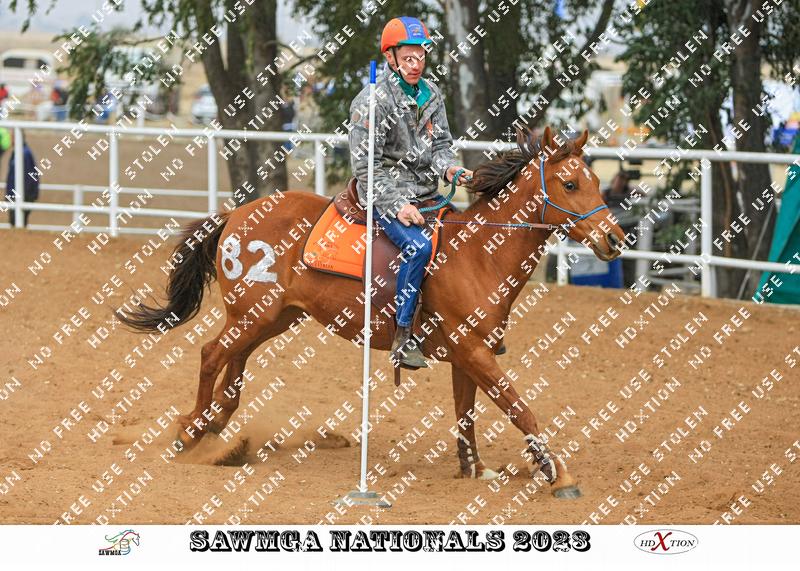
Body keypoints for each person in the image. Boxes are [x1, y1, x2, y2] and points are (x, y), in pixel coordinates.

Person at [349, 16, 472, 370]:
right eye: (408, 58)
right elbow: (365, 168)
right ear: (390, 57)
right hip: (384, 193)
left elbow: (442, 146)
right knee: (419, 247)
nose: (416, 64)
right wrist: (398, 205)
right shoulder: (371, 101)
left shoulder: (432, 93)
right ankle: (403, 335)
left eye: (421, 56)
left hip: (427, 192)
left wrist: (450, 169)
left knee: (464, 238)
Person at [5, 131, 40, 228]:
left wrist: (18, 196)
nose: (10, 140)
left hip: (20, 196)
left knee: (17, 224)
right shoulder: (20, 152)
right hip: (17, 195)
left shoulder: (24, 153)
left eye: (12, 137)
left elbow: (28, 178)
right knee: (16, 223)